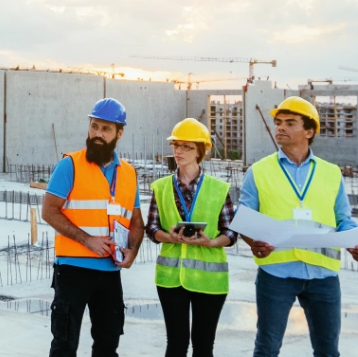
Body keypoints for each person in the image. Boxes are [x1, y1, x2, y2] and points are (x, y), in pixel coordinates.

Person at [239, 96, 358, 357]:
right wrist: (252, 241)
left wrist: (354, 243)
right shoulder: (258, 171)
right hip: (276, 273)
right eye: (278, 122)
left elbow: (343, 218)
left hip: (323, 275)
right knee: (267, 348)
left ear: (309, 131)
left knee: (327, 350)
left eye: (290, 123)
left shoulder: (331, 173)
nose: (280, 127)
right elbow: (244, 218)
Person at [41, 98, 143, 357]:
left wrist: (132, 251)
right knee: (64, 345)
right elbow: (49, 211)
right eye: (94, 126)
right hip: (72, 270)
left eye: (106, 129)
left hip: (110, 272)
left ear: (119, 133)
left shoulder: (129, 174)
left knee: (108, 346)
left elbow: (136, 222)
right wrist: (87, 240)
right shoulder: (70, 165)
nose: (98, 134)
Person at [145, 118, 236, 357]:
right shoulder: (161, 187)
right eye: (176, 145)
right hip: (171, 280)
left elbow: (230, 231)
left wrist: (212, 242)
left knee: (203, 346)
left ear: (200, 151)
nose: (178, 151)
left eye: (186, 146)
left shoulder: (218, 189)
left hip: (210, 281)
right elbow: (152, 227)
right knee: (176, 344)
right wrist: (169, 237)